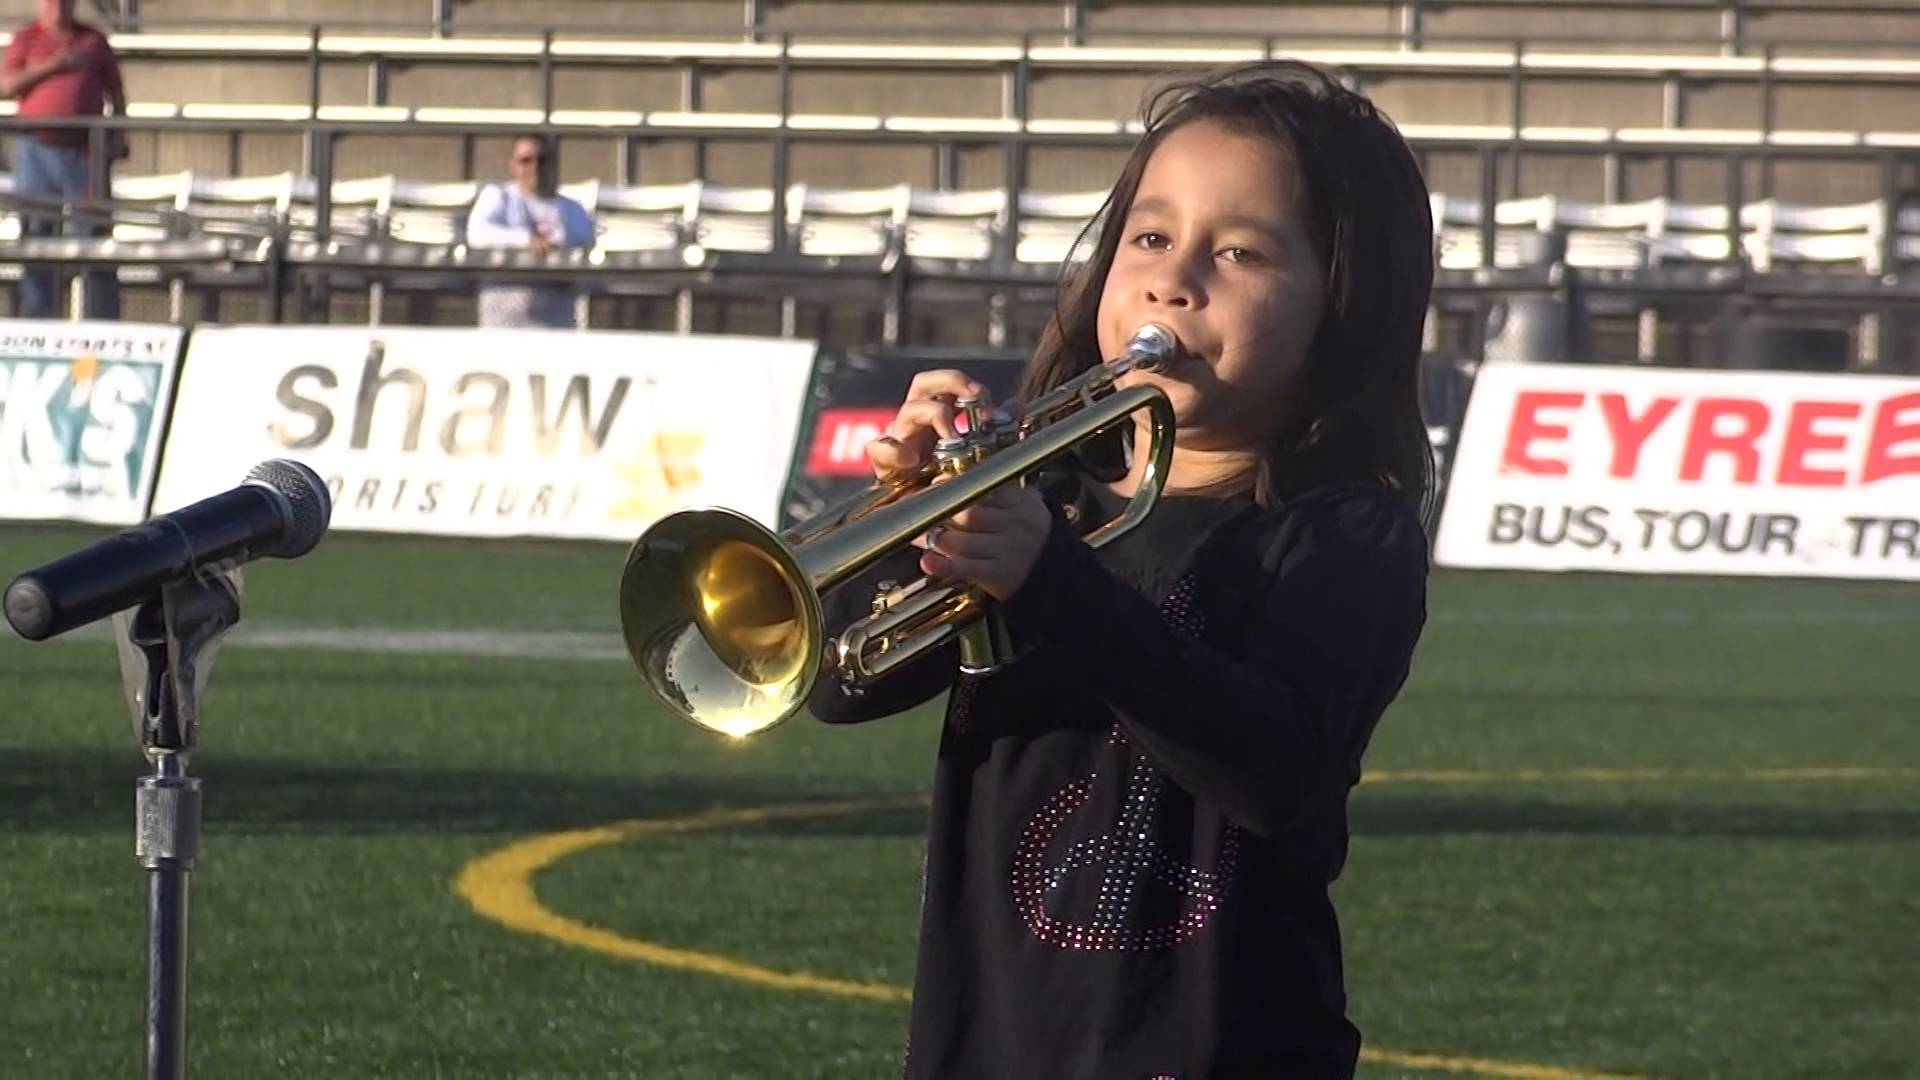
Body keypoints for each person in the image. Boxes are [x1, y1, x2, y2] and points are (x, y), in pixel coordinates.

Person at [807, 60, 1434, 1079]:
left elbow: (1277, 770)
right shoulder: (1047, 496)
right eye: (1150, 237)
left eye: (1238, 253)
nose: (1172, 278)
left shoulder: (1342, 538)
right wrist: (905, 513)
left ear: (1344, 306)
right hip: (990, 1042)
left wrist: (1052, 583)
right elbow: (840, 683)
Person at [2, 0, 127, 319]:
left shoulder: (94, 42)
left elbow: (116, 92)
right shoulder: (26, 39)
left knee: (93, 236)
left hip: (84, 152)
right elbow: (5, 86)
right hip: (36, 150)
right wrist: (53, 65)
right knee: (37, 238)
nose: (58, 6)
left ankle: (101, 318)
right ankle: (38, 319)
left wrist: (118, 136)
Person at [463, 133, 596, 328]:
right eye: (526, 160)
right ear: (513, 165)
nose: (534, 168)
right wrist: (526, 240)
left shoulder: (572, 209)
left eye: (542, 160)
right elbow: (477, 234)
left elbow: (586, 246)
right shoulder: (498, 196)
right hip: (503, 320)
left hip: (556, 319)